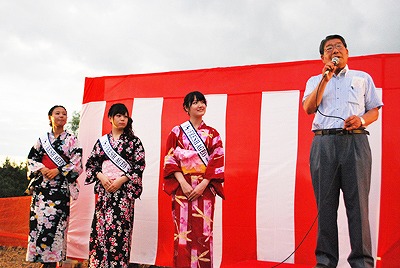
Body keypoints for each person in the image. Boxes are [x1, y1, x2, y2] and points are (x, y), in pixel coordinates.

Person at [303, 34, 383, 268]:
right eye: (329, 48)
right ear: (322, 57)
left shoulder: (362, 78)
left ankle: (362, 263)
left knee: (358, 206)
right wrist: (325, 79)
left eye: (339, 46)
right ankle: (325, 262)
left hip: (355, 143)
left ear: (347, 52)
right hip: (323, 144)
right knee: (325, 207)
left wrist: (360, 120)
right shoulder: (314, 81)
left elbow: (374, 111)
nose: (335, 50)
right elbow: (309, 108)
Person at [163, 91, 225, 268]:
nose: (200, 105)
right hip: (182, 187)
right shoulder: (176, 132)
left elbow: (217, 160)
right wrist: (182, 182)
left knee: (203, 233)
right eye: (195, 102)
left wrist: (204, 184)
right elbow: (170, 159)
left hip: (204, 190)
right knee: (182, 233)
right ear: (186, 108)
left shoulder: (213, 134)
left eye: (202, 102)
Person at [85, 103, 145, 268]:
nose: (122, 119)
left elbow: (138, 165)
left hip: (123, 194)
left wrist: (121, 180)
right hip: (105, 193)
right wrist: (101, 177)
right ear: (110, 118)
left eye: (125, 116)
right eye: (118, 115)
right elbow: (91, 164)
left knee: (120, 232)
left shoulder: (134, 142)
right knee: (101, 231)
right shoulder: (102, 142)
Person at [26, 105, 83, 268]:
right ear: (50, 117)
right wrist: (42, 169)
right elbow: (31, 160)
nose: (61, 116)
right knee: (40, 225)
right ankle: (44, 262)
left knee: (57, 227)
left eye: (64, 114)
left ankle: (51, 262)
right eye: (57, 113)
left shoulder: (72, 140)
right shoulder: (42, 139)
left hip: (60, 191)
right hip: (42, 191)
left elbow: (77, 162)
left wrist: (58, 170)